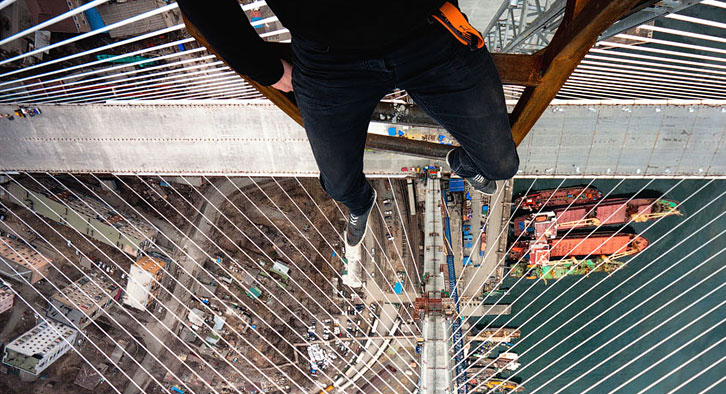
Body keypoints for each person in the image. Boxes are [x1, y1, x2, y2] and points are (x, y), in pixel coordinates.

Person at [178, 0, 519, 247]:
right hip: (329, 59)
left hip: (429, 28)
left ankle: (461, 162)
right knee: (339, 185)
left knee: (501, 165)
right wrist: (266, 68)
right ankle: (359, 201)